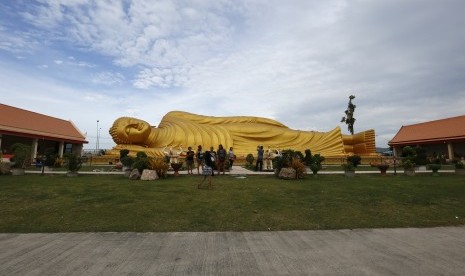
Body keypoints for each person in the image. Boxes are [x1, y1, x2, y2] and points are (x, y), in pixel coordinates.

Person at [109, 111, 377, 158]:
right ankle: (351, 149)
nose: (135, 126)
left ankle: (349, 140)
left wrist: (254, 119)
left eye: (131, 121)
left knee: (286, 136)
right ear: (130, 140)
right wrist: (128, 150)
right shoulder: (147, 150)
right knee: (288, 146)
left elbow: (212, 119)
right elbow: (165, 156)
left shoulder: (171, 117)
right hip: (232, 148)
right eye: (129, 131)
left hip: (230, 130)